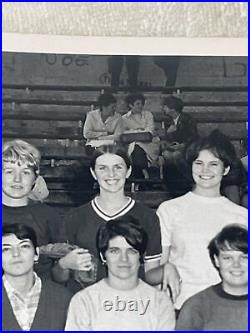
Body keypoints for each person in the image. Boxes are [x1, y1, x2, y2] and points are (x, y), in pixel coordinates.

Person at [146, 130, 248, 312]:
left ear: (225, 169)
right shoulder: (169, 210)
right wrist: (165, 271)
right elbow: (152, 273)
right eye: (199, 163)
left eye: (213, 164)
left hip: (226, 310)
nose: (205, 171)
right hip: (180, 307)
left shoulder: (241, 216)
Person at [53, 145, 164, 292]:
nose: (111, 174)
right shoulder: (74, 218)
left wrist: (169, 270)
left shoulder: (148, 217)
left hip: (130, 302)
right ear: (93, 173)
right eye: (102, 168)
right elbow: (58, 277)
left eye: (118, 167)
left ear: (128, 171)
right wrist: (64, 264)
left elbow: (151, 275)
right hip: (87, 304)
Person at [65, 217, 175, 331]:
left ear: (141, 256)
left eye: (131, 251)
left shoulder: (160, 302)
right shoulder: (84, 301)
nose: (124, 259)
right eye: (114, 251)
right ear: (103, 256)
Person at [2, 139, 65, 278]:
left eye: (25, 172)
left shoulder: (48, 216)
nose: (17, 179)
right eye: (9, 171)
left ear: (35, 178)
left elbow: (60, 274)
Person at [176, 224, 248, 331]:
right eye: (227, 258)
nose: (236, 265)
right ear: (217, 260)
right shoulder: (197, 306)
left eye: (244, 257)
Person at [2, 223, 72, 331]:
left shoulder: (64, 298)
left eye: (24, 246)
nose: (16, 254)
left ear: (36, 254)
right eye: (6, 249)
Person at [161, 95, 198, 196]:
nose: (163, 109)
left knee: (176, 155)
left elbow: (193, 137)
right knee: (166, 155)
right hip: (174, 147)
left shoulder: (188, 119)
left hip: (188, 147)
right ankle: (172, 184)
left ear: (172, 108)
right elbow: (166, 139)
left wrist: (182, 145)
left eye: (165, 106)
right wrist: (168, 137)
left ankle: (190, 181)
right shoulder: (168, 121)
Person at [122, 93, 161, 179]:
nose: (141, 106)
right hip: (133, 144)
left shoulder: (148, 115)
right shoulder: (124, 118)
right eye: (137, 104)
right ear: (130, 105)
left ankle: (142, 174)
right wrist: (141, 131)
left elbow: (150, 130)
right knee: (136, 146)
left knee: (136, 146)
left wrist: (134, 132)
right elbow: (124, 133)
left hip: (150, 143)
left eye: (142, 104)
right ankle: (144, 172)